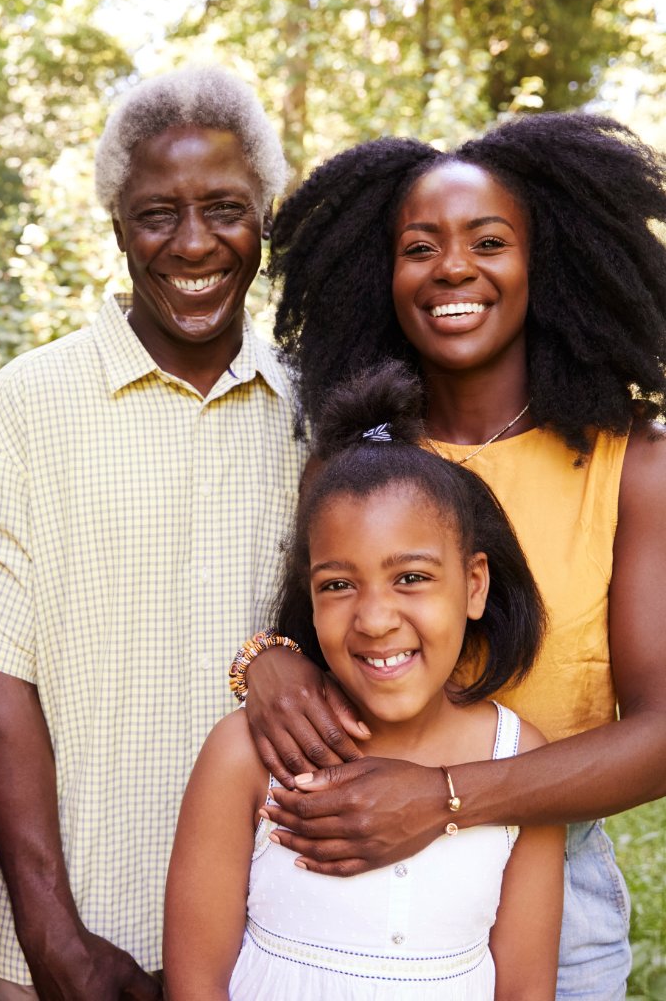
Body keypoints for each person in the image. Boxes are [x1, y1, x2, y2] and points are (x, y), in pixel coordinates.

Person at [237, 113, 666, 999]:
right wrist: (267, 661)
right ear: (381, 276)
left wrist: (443, 798)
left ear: (546, 262)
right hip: (341, 866)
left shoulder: (635, 466)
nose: (453, 268)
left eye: (489, 241)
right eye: (419, 246)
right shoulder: (356, 459)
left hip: (555, 872)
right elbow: (308, 638)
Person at [0, 66, 302, 999]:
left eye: (225, 208)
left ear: (264, 215)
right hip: (66, 937)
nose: (195, 243)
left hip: (273, 933)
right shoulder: (21, 408)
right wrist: (50, 933)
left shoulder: (317, 414)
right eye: (158, 214)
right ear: (116, 225)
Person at [164, 361, 564, 1000]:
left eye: (411, 578)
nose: (375, 619)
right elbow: (195, 985)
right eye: (339, 585)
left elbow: (525, 989)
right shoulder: (245, 757)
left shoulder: (519, 760)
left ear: (475, 584)